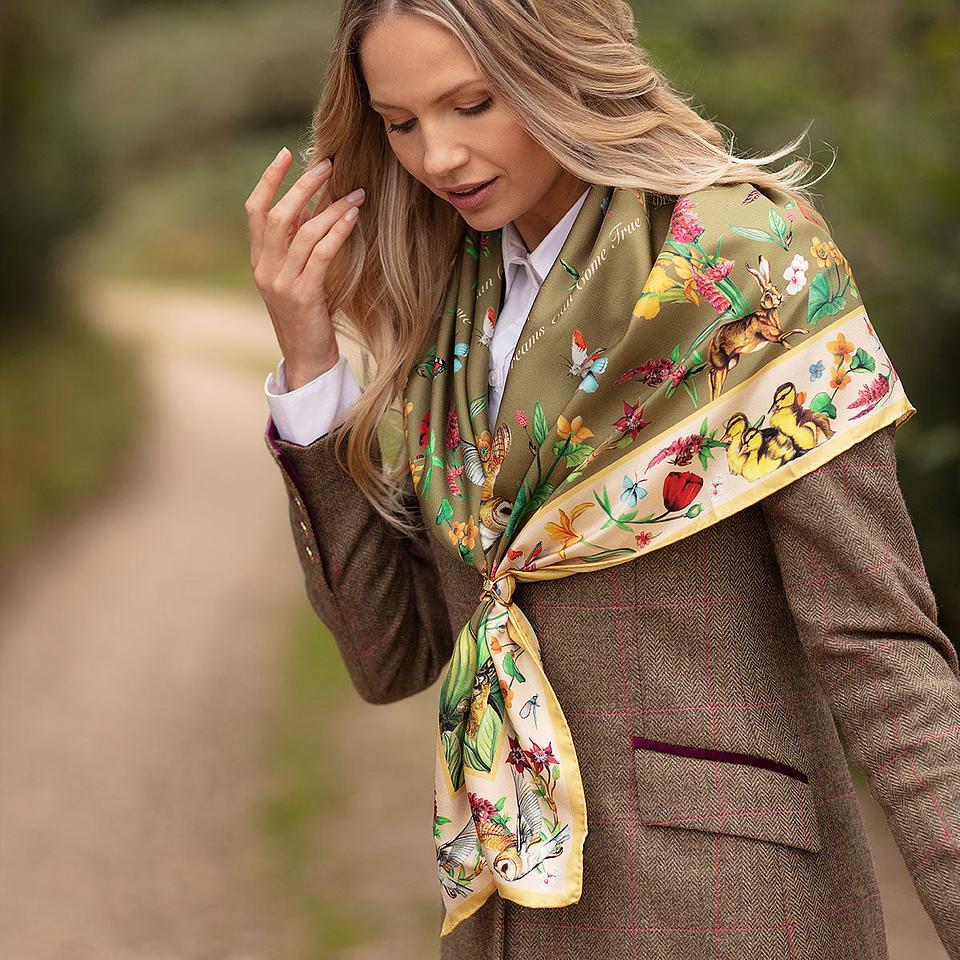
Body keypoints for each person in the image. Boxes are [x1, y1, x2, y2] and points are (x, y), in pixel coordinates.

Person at [244, 2, 960, 957]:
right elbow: (393, 657)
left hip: (722, 912)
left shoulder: (743, 267)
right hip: (508, 918)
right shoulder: (444, 313)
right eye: (402, 123)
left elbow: (879, 648)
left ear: (562, 64)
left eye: (472, 104)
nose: (440, 158)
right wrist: (307, 366)